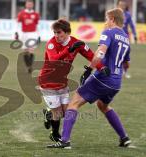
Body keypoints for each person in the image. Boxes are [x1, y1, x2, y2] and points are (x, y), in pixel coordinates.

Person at [47, 8, 131, 149]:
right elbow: (126, 63)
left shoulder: (108, 33)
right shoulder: (126, 38)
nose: (105, 22)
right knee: (103, 106)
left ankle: (65, 141)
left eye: (106, 19)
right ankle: (125, 138)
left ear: (112, 19)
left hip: (102, 78)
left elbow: (100, 53)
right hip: (116, 82)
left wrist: (89, 69)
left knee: (73, 104)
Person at [38, 18, 105, 142]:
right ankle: (54, 134)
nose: (56, 36)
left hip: (62, 81)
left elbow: (91, 55)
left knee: (66, 112)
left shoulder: (77, 43)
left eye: (59, 33)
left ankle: (48, 112)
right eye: (55, 33)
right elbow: (53, 60)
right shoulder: (51, 43)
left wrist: (102, 67)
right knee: (57, 113)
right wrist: (69, 49)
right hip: (47, 81)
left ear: (67, 32)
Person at [16, 0, 40, 73]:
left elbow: (37, 25)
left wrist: (38, 35)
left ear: (33, 5)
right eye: (28, 4)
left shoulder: (36, 14)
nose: (29, 5)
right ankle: (28, 66)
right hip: (24, 34)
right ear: (26, 5)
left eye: (31, 4)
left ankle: (30, 66)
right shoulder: (21, 13)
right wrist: (16, 33)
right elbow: (17, 24)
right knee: (25, 51)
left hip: (33, 34)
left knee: (31, 49)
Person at [117, 0, 136, 79]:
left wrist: (135, 34)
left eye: (123, 5)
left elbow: (131, 25)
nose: (122, 6)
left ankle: (125, 72)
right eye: (120, 5)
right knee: (116, 54)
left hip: (125, 37)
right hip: (116, 36)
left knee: (125, 55)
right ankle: (116, 71)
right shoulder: (115, 14)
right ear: (118, 5)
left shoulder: (127, 14)